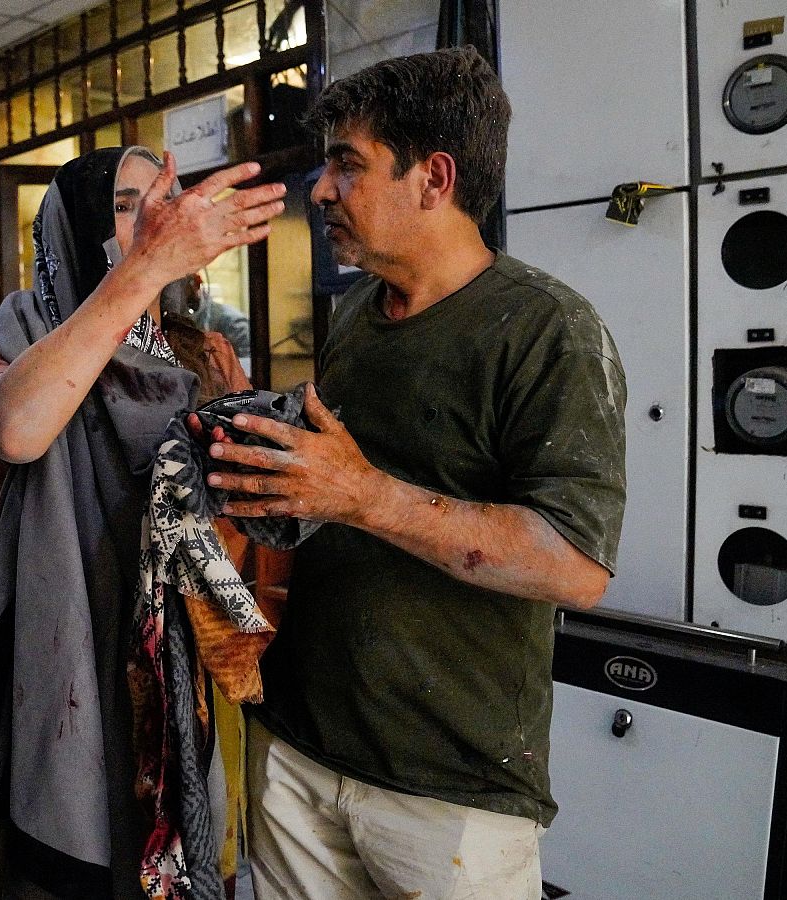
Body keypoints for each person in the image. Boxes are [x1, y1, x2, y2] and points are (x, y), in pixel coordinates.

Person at [205, 48, 627, 898]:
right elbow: (338, 480)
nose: (320, 190)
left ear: (434, 179)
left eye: (347, 165)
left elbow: (574, 567)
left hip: (447, 791)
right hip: (298, 747)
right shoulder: (356, 310)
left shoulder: (549, 332)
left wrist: (364, 496)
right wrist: (254, 425)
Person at [0, 145, 286, 900]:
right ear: (74, 226)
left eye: (164, 200)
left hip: (172, 661)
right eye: (128, 204)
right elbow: (16, 429)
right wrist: (139, 273)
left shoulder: (200, 354)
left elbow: (242, 525)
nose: (154, 218)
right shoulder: (18, 332)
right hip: (58, 654)